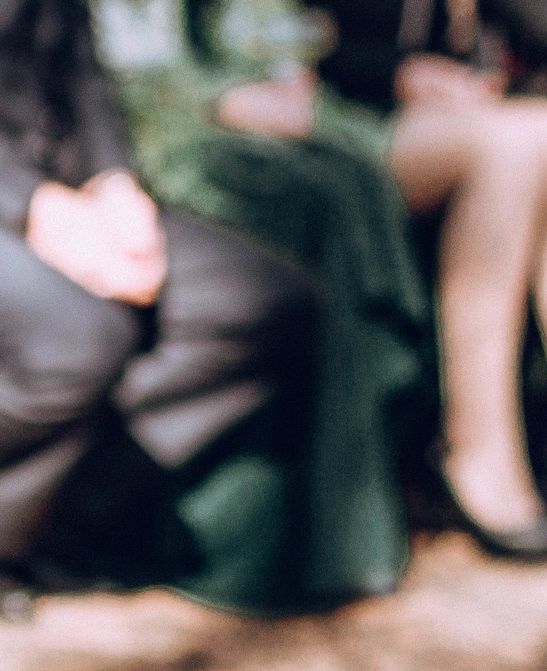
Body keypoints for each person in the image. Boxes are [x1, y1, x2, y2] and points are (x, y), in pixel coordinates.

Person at [0, 0, 319, 588]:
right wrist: (35, 210)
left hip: (51, 186)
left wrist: (116, 183)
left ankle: (56, 512)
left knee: (259, 303)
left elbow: (81, 68)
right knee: (77, 338)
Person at [90, 0, 437, 610]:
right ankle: (246, 536)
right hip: (128, 140)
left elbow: (242, 38)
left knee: (347, 180)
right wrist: (211, 99)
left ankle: (341, 535)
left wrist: (274, 85)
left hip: (205, 110)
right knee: (308, 203)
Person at [313, 0, 547, 575]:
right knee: (511, 153)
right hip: (353, 106)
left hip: (458, 103)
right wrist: (395, 73)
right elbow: (299, 33)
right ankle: (479, 451)